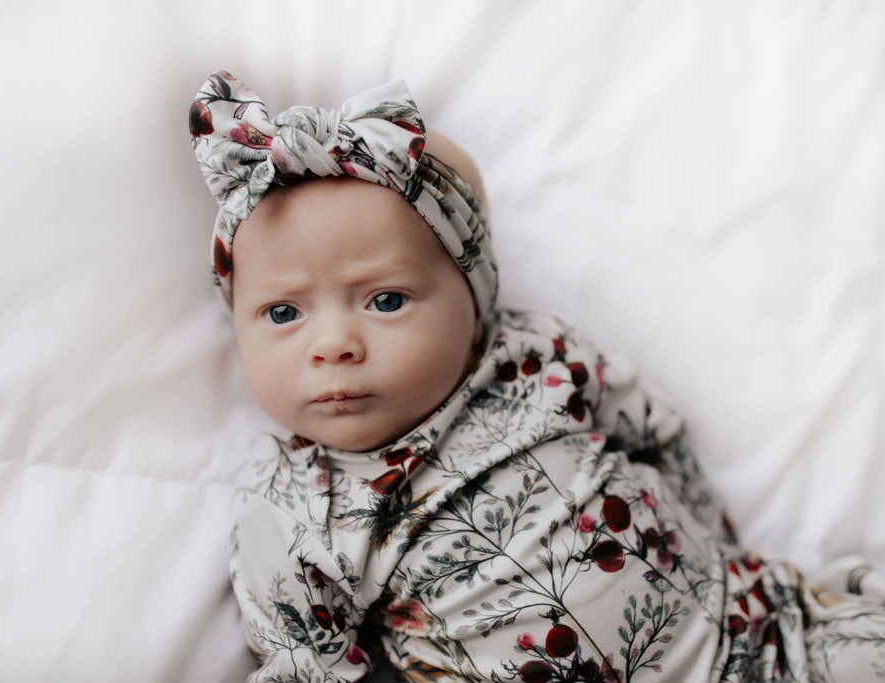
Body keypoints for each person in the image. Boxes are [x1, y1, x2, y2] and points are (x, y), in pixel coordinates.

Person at [190, 71, 885, 682]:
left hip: (765, 636)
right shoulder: (287, 514)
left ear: (474, 299)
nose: (335, 343)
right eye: (283, 312)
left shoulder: (531, 357)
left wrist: (718, 554)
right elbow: (306, 667)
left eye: (386, 299)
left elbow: (653, 432)